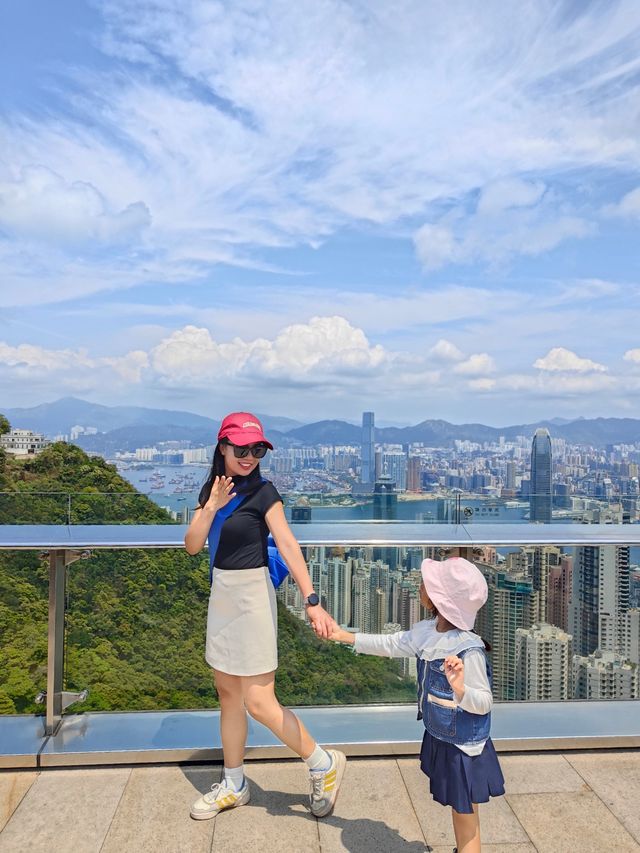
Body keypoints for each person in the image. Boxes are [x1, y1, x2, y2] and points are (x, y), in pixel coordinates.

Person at [184, 412, 346, 821]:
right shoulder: (214, 489)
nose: (250, 456)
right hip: (221, 595)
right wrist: (211, 506)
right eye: (242, 448)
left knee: (258, 701)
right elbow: (191, 545)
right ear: (222, 447)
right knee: (228, 695)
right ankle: (235, 784)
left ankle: (322, 763)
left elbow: (289, 545)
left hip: (253, 597)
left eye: (257, 450)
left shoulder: (264, 492)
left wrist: (312, 600)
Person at [328, 556, 504, 853]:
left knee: (465, 813)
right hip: (443, 738)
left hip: (464, 749)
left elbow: (484, 703)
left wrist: (460, 689)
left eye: (428, 583)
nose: (421, 585)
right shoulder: (427, 632)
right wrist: (345, 636)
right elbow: (391, 644)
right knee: (461, 811)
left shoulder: (468, 650)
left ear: (440, 599)